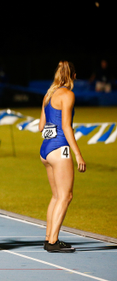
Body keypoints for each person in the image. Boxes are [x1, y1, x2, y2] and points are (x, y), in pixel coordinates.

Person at [39, 61, 86, 253]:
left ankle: (49, 237)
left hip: (46, 149)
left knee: (56, 196)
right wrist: (78, 154)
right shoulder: (68, 94)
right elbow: (66, 126)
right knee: (66, 196)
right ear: (73, 76)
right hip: (60, 148)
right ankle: (53, 242)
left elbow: (41, 126)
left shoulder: (48, 95)